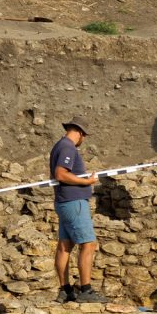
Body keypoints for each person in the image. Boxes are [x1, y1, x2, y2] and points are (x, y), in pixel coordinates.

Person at [50, 116, 109, 303]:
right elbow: (60, 174)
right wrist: (87, 182)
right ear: (80, 133)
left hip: (65, 202)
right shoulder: (68, 147)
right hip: (74, 202)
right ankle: (86, 290)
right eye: (85, 136)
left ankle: (65, 290)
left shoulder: (60, 146)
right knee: (88, 244)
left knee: (65, 246)